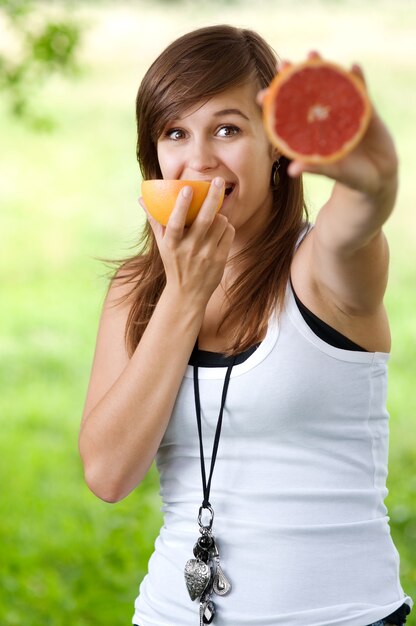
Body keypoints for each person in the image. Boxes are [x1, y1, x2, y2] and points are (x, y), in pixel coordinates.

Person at [78, 25, 413, 626]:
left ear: (276, 146)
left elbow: (360, 214)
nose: (200, 158)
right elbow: (107, 473)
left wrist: (376, 178)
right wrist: (183, 297)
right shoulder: (135, 292)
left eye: (227, 129)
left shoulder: (320, 269)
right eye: (175, 133)